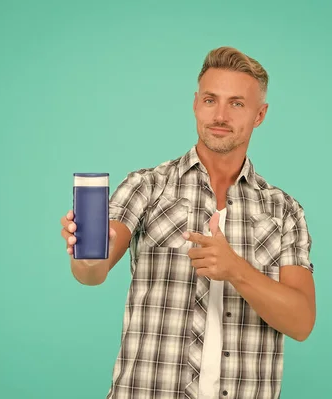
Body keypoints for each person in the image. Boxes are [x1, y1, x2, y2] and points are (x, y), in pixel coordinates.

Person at [60, 46, 315, 399]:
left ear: (260, 115)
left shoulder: (284, 211)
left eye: (237, 103)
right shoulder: (147, 186)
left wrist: (236, 270)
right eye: (211, 100)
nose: (220, 115)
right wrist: (83, 251)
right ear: (196, 104)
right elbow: (92, 272)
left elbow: (302, 322)